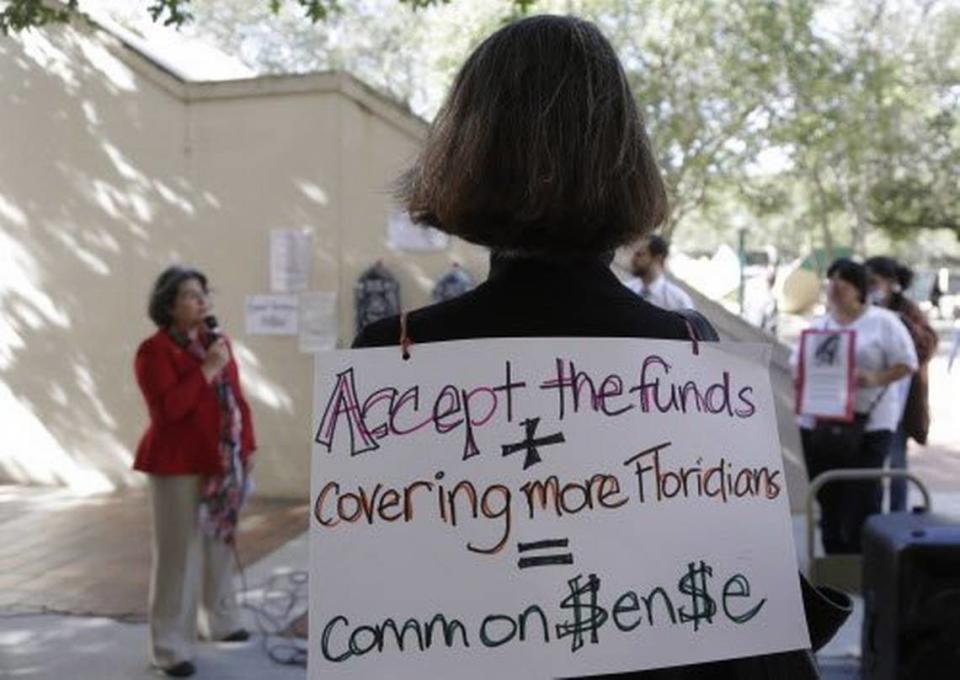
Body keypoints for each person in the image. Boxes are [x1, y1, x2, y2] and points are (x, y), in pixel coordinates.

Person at [355, 15, 845, 679]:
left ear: (467, 154)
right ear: (625, 156)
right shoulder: (688, 356)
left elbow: (374, 618)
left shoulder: (392, 359)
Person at [133, 266, 255, 678]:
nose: (201, 301)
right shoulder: (153, 352)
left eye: (203, 293)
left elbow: (237, 399)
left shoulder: (217, 343)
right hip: (175, 463)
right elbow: (168, 412)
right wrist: (205, 370)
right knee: (177, 554)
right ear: (169, 305)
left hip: (222, 460)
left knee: (220, 540)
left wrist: (248, 446)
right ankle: (169, 646)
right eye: (189, 294)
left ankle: (218, 619)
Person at [795, 259, 917, 555]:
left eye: (844, 282)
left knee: (863, 495)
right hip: (820, 424)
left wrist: (873, 377)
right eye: (831, 280)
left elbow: (907, 363)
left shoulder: (884, 322)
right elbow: (796, 367)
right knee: (828, 494)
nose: (835, 287)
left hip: (870, 424)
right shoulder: (820, 327)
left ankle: (863, 562)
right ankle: (834, 561)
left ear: (860, 289)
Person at [865, 256, 938, 512]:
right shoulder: (860, 309)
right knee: (868, 466)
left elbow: (927, 346)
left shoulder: (907, 311)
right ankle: (869, 519)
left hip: (899, 401)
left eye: (874, 281)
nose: (870, 287)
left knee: (897, 463)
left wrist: (901, 323)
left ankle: (897, 517)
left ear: (891, 283)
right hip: (866, 402)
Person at [625, 234, 695, 310]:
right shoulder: (628, 288)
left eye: (639, 254)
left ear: (657, 259)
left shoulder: (679, 301)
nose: (633, 259)